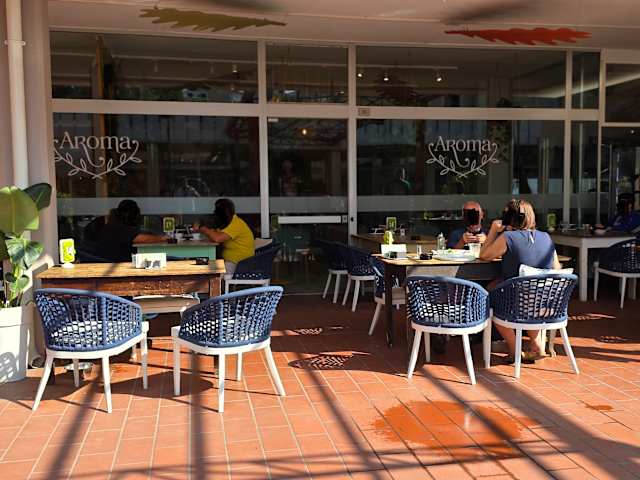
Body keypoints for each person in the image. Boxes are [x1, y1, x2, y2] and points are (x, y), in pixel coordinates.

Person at [480, 199, 562, 361]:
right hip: (546, 302)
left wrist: (493, 231)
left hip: (518, 303)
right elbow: (557, 268)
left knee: (489, 298)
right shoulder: (546, 237)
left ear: (509, 218)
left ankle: (514, 349)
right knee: (525, 294)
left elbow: (484, 255)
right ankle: (537, 344)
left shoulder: (508, 237)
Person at [196, 198, 255, 275]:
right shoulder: (228, 222)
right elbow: (216, 233)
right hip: (231, 260)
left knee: (210, 269)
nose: (214, 213)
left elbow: (217, 238)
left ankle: (213, 281)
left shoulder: (236, 223)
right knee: (204, 263)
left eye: (217, 211)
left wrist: (203, 228)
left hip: (239, 263)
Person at [99, 199, 167, 262]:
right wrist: (163, 238)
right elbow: (142, 239)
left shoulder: (112, 225)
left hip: (109, 260)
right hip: (117, 262)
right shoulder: (119, 227)